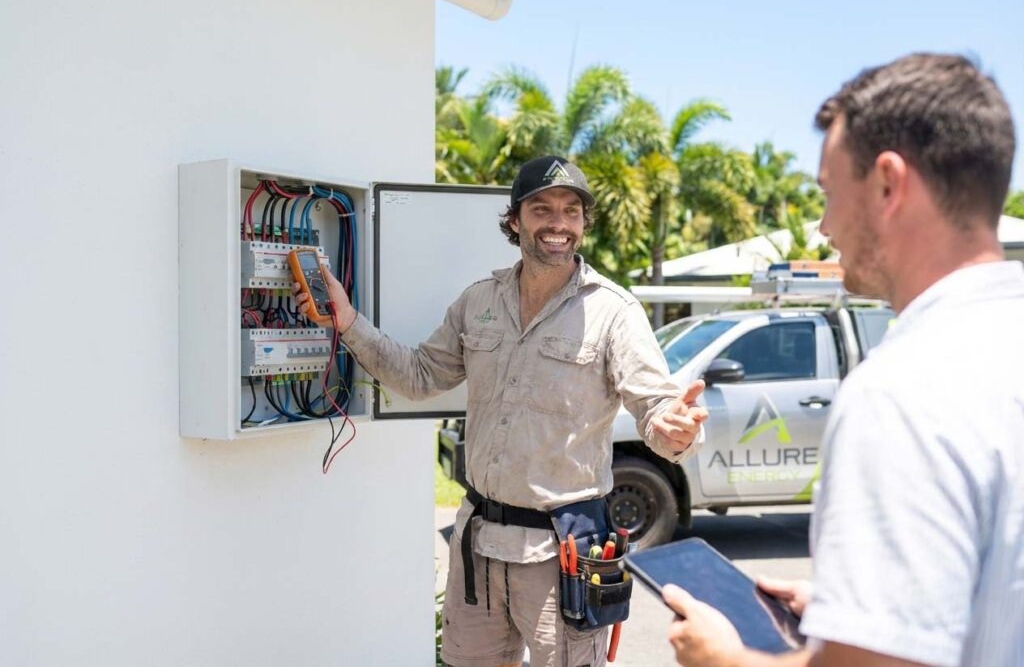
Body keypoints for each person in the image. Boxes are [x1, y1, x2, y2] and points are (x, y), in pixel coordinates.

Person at [663, 53, 1023, 667]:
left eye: (830, 194)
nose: (825, 226)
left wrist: (720, 657)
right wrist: (850, 612)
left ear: (888, 183)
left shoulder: (902, 390)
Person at [296, 155, 709, 667]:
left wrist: (676, 427)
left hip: (563, 551)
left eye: (571, 211)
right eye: (542, 208)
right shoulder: (478, 301)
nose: (558, 223)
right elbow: (421, 376)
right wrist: (348, 320)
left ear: (583, 224)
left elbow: (657, 411)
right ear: (515, 221)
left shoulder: (614, 312)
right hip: (480, 547)